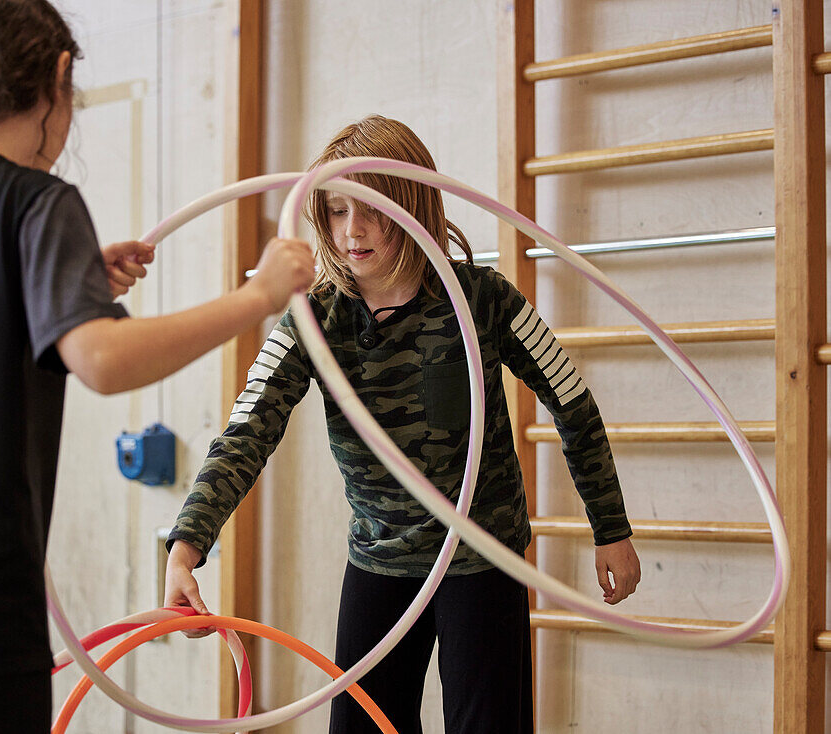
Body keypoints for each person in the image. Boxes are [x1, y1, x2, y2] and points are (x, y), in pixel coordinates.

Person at [0, 1, 314, 732]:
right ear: (55, 76)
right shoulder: (37, 201)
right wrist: (258, 295)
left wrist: (66, 282)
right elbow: (104, 360)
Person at [164, 114, 641, 734]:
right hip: (379, 562)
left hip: (483, 559)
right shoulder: (314, 320)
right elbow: (246, 433)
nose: (351, 232)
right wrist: (185, 550)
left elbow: (572, 402)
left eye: (370, 211)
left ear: (413, 207)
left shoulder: (484, 299)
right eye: (335, 212)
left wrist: (611, 528)